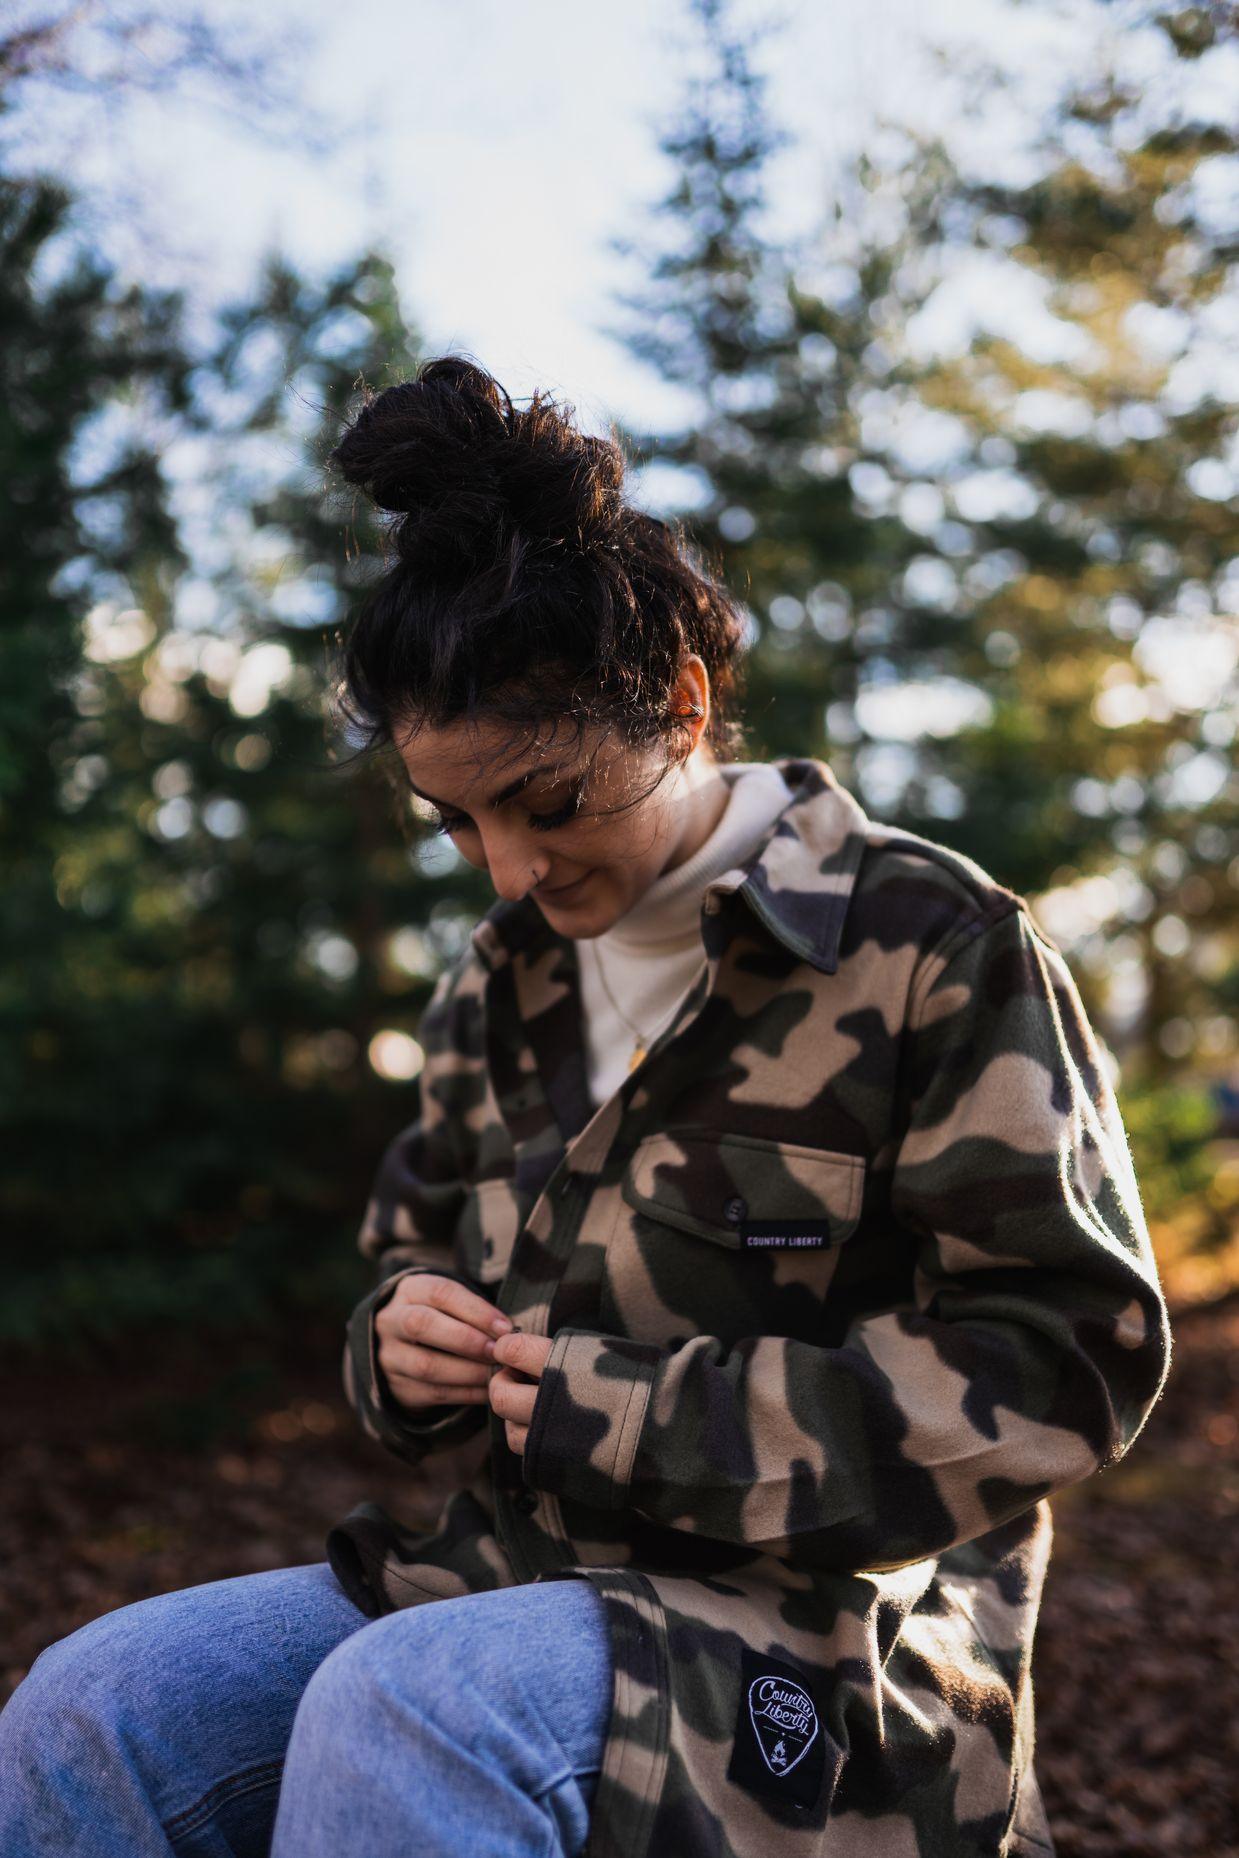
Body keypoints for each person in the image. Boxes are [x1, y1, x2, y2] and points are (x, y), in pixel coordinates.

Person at [0, 356, 1173, 1858]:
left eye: (545, 800)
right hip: (496, 1580)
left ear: (680, 705)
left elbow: (1066, 1360)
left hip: (828, 1640)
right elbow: (400, 1272)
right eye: (454, 820)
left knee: (413, 1709)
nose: (506, 869)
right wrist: (400, 1345)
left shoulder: (934, 947)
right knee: (88, 1707)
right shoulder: (494, 987)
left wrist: (624, 1410)